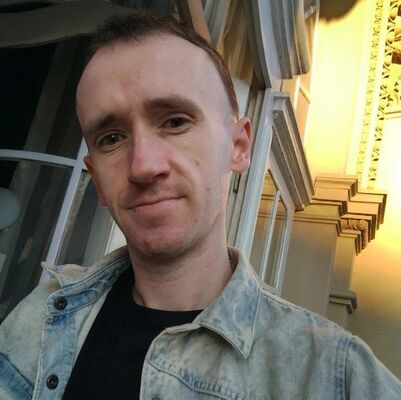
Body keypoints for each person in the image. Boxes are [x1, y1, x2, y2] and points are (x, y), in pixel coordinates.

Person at [1, 12, 400, 400]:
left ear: (238, 146)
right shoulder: (42, 311)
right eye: (111, 139)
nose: (143, 166)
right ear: (97, 181)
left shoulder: (334, 374)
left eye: (175, 122)